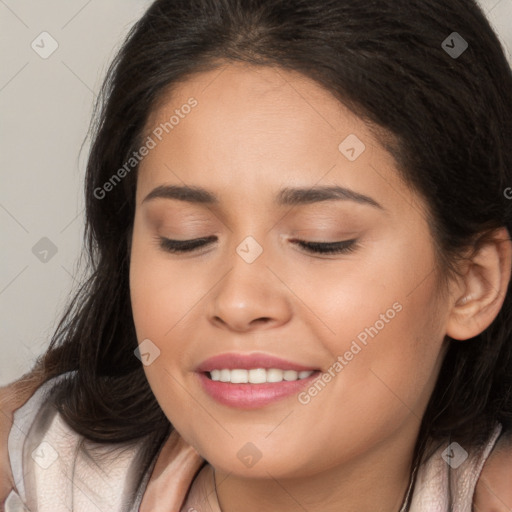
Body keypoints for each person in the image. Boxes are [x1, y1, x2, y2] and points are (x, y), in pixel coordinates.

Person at [2, 0, 512, 510]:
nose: (239, 302)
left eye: (321, 240)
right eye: (187, 237)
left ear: (472, 282)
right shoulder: (39, 471)